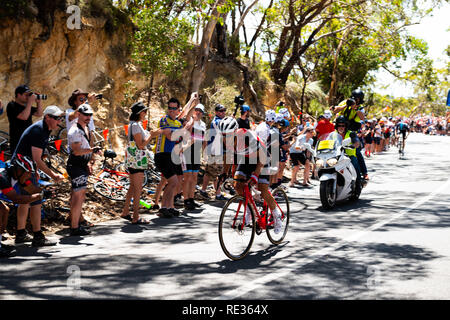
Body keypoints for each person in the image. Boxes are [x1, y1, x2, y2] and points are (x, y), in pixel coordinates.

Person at [12, 105, 65, 247]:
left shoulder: (45, 129)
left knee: (26, 201)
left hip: (24, 166)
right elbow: (37, 158)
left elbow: (35, 157)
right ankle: (38, 236)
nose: (59, 121)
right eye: (56, 118)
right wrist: (53, 175)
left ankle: (21, 233)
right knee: (36, 200)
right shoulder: (39, 130)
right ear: (47, 117)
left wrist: (35, 170)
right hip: (23, 167)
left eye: (60, 118)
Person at [121, 102, 161, 224]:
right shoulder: (136, 126)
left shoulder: (133, 125)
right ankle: (136, 217)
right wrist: (152, 135)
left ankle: (126, 211)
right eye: (144, 111)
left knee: (133, 187)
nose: (145, 114)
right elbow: (141, 144)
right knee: (138, 189)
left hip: (133, 159)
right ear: (139, 113)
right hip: (137, 160)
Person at [66, 104, 102, 235]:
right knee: (78, 196)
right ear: (78, 114)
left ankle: (75, 224)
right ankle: (74, 227)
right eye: (86, 115)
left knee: (79, 196)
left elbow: (84, 149)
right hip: (75, 165)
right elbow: (76, 151)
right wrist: (92, 150)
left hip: (81, 165)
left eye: (90, 115)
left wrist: (89, 162)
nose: (88, 117)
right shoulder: (75, 130)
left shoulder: (85, 128)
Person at [0, 156, 47, 257]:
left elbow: (31, 189)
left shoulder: (19, 176)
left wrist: (45, 192)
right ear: (19, 170)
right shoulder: (3, 177)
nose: (30, 175)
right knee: (1, 211)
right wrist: (40, 196)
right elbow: (17, 199)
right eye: (28, 173)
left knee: (4, 210)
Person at [180, 103, 206, 210]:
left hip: (197, 153)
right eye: (196, 110)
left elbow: (204, 140)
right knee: (187, 177)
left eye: (200, 111)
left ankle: (191, 198)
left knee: (194, 177)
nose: (198, 112)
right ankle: (185, 200)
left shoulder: (203, 125)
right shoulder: (190, 121)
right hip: (187, 150)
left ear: (203, 113)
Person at [200, 103, 228, 201]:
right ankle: (217, 193)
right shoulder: (217, 122)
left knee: (209, 172)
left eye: (224, 110)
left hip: (216, 150)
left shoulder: (220, 121)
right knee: (217, 173)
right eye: (220, 111)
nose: (223, 112)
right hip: (215, 151)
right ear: (216, 112)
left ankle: (204, 191)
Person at [6, 85, 44, 154]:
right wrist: (30, 102)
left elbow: (39, 114)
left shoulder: (27, 107)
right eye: (26, 95)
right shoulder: (11, 105)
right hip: (17, 140)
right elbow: (24, 117)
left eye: (28, 95)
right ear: (18, 95)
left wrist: (39, 102)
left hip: (29, 139)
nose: (28, 97)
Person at [335, 116, 362, 182]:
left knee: (355, 167)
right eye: (339, 125)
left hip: (349, 156)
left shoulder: (351, 133)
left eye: (343, 125)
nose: (341, 127)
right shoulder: (333, 134)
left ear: (346, 126)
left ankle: (358, 183)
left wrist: (354, 144)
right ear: (336, 126)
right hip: (335, 156)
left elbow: (357, 143)